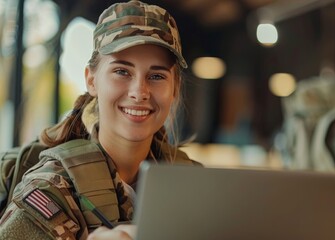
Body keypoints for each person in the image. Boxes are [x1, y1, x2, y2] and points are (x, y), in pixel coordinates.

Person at [0, 0, 200, 239]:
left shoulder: (194, 184)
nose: (140, 91)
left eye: (156, 76)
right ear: (91, 81)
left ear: (175, 88)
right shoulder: (52, 188)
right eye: (122, 71)